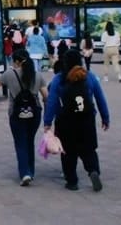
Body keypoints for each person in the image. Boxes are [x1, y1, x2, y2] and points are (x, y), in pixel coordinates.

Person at [0, 48, 47, 186]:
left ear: (16, 61)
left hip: (16, 113)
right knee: (29, 141)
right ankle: (31, 171)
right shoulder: (37, 75)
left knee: (20, 143)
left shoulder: (10, 74)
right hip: (35, 113)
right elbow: (46, 96)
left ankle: (25, 173)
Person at [44, 49, 110, 191]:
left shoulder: (59, 79)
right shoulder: (89, 76)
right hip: (87, 119)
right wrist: (105, 117)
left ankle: (72, 181)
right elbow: (100, 98)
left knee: (68, 152)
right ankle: (93, 171)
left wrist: (47, 122)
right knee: (89, 149)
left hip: (65, 120)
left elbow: (52, 101)